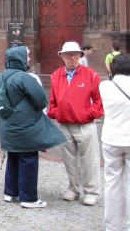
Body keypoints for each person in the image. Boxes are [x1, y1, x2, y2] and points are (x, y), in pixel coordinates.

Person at [0, 46, 66, 208]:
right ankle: (29, 198)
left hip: (8, 126)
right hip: (25, 127)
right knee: (28, 159)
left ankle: (11, 192)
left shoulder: (2, 76)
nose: (28, 59)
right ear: (19, 58)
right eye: (26, 57)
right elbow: (41, 99)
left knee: (13, 158)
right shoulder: (25, 78)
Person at [48, 41, 104, 206]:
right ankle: (74, 188)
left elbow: (100, 101)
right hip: (65, 124)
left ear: (80, 55)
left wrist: (88, 114)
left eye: (75, 54)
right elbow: (53, 100)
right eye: (68, 54)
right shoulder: (56, 75)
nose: (72, 58)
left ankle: (91, 191)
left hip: (85, 125)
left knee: (90, 161)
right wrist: (56, 112)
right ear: (62, 56)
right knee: (70, 160)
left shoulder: (91, 75)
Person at [100, 53, 130, 230]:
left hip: (111, 140)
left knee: (112, 183)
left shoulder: (104, 86)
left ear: (112, 68)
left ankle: (112, 226)